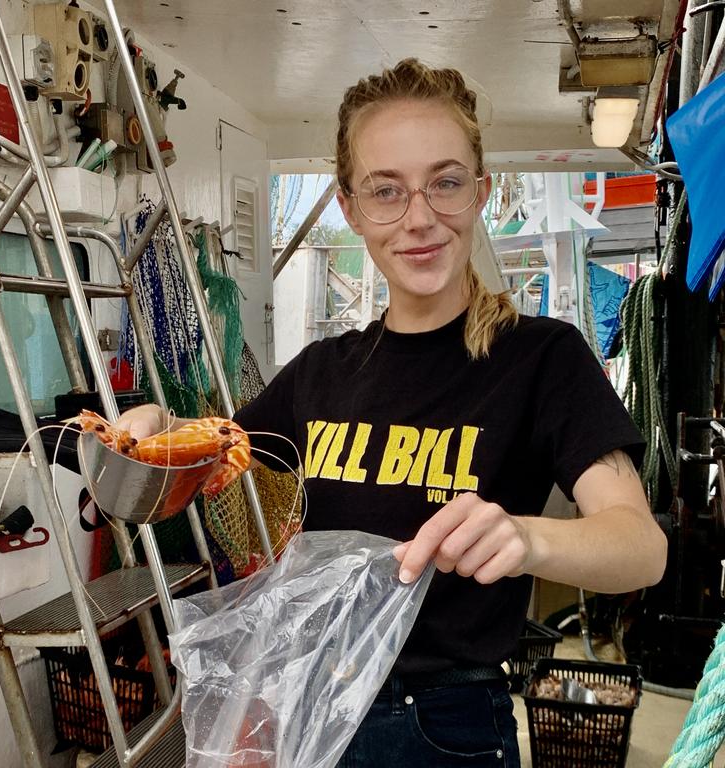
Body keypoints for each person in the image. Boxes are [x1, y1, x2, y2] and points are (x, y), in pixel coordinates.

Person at [117, 58, 667, 768]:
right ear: (350, 207)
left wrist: (528, 540)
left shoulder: (542, 359)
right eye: (387, 191)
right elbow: (211, 450)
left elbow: (641, 549)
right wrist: (158, 427)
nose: (419, 218)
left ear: (481, 194)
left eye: (445, 182)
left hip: (446, 724)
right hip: (312, 708)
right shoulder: (321, 372)